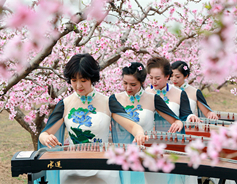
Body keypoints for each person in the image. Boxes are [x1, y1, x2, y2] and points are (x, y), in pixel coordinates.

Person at [37, 54, 148, 184]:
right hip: (73, 168)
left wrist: (139, 134)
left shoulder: (108, 101)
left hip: (103, 166)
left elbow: (133, 126)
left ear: (92, 78)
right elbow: (44, 134)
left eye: (83, 80)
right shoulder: (65, 104)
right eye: (73, 80)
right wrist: (45, 137)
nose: (78, 85)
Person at [111, 62, 184, 184]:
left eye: (133, 84)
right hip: (124, 156)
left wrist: (178, 124)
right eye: (125, 83)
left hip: (148, 155)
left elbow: (176, 120)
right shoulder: (114, 99)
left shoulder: (152, 98)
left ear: (142, 82)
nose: (128, 88)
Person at [146, 57, 200, 133]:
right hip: (148, 138)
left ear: (167, 76)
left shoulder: (179, 93)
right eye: (151, 78)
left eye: (158, 78)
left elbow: (185, 115)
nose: (154, 81)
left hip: (173, 137)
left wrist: (191, 117)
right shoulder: (145, 93)